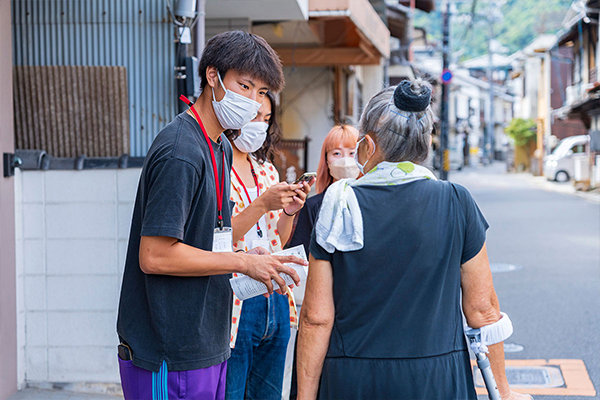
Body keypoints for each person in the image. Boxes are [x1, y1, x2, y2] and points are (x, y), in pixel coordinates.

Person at [296, 80, 532, 400]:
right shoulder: (455, 201)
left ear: (367, 145)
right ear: (425, 144)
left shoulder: (338, 204)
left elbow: (315, 318)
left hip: (353, 379)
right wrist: (503, 394)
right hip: (437, 379)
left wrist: (305, 397)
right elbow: (483, 311)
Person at [116, 31, 306, 400]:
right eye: (245, 85)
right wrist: (240, 263)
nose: (252, 101)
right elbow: (154, 255)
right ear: (213, 76)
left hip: (209, 339)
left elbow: (209, 235)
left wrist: (249, 257)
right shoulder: (180, 151)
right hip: (169, 349)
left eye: (261, 92)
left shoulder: (217, 145)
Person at [224, 92, 313, 399]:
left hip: (275, 291)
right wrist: (262, 203)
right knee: (231, 391)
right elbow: (220, 236)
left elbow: (279, 237)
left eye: (265, 119)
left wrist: (290, 210)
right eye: (254, 117)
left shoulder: (266, 169)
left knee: (269, 393)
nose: (260, 126)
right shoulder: (215, 167)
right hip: (235, 296)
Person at [288, 125, 359, 256]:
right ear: (326, 159)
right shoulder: (312, 206)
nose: (345, 160)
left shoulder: (371, 200)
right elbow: (301, 255)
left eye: (352, 153)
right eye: (337, 153)